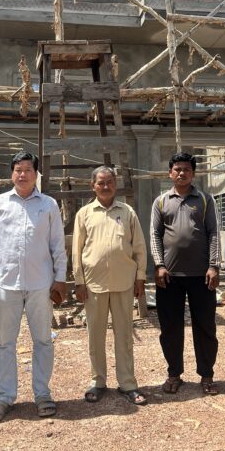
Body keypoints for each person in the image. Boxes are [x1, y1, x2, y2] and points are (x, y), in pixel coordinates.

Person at [0, 151, 67, 421]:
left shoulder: (48, 205)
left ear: (36, 174)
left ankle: (43, 394)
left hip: (41, 284)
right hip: (7, 283)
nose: (23, 174)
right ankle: (4, 396)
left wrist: (60, 278)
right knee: (5, 342)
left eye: (28, 169)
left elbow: (57, 244)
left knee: (43, 340)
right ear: (11, 174)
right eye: (18, 169)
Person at [73, 166, 148, 406]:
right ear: (92, 185)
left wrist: (140, 277)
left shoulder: (127, 212)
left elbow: (139, 247)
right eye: (101, 183)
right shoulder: (84, 214)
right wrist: (79, 281)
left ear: (115, 184)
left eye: (110, 182)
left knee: (124, 336)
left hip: (124, 282)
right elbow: (76, 250)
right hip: (93, 284)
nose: (105, 187)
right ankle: (98, 382)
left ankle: (128, 383)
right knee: (95, 336)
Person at [150, 152, 221, 396]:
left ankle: (207, 375)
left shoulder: (205, 200)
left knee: (205, 326)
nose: (182, 173)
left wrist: (214, 265)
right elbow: (155, 235)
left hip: (202, 276)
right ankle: (174, 373)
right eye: (177, 169)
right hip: (169, 277)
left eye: (187, 169)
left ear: (193, 173)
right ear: (170, 173)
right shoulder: (161, 201)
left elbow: (214, 232)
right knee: (170, 328)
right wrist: (159, 265)